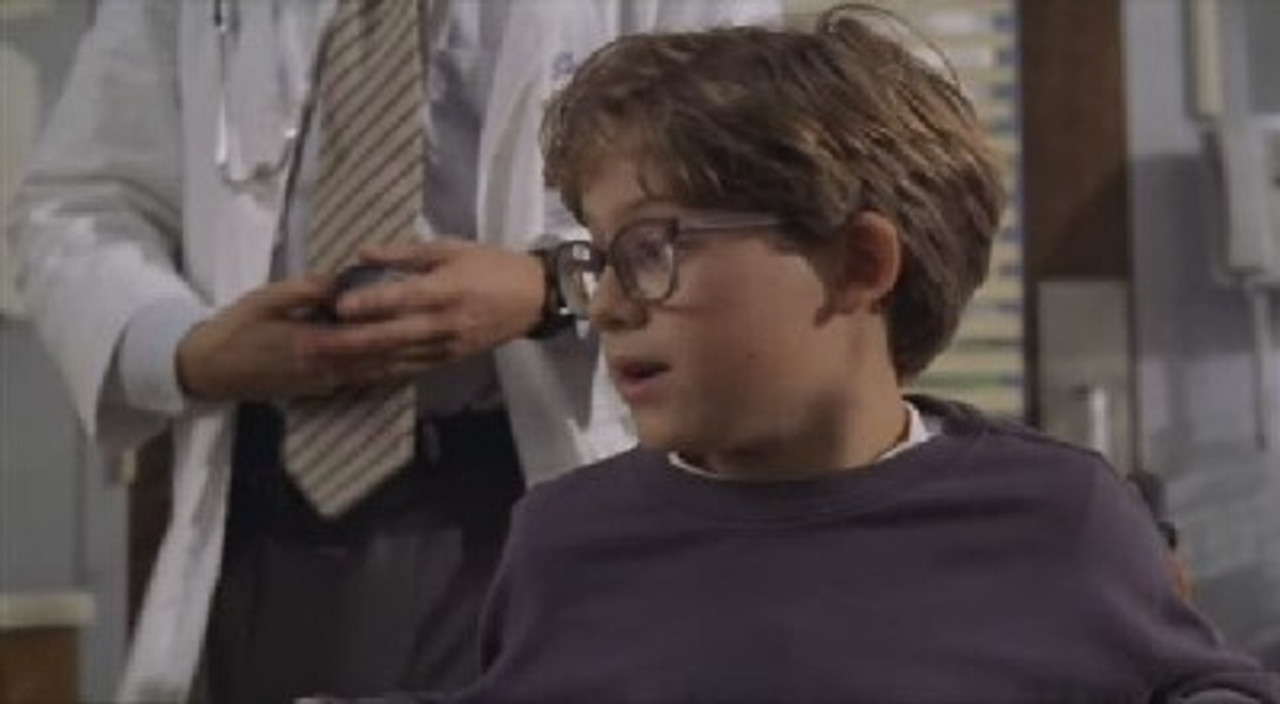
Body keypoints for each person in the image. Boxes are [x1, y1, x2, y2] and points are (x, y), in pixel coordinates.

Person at [350, 5, 1280, 702]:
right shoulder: (563, 539)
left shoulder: (1058, 516)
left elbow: (1203, 684)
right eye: (597, 259)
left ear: (862, 264)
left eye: (653, 249)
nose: (606, 305)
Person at [7, 0, 779, 702]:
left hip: (522, 480)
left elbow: (740, 190)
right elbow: (83, 204)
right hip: (263, 500)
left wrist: (549, 284)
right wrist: (185, 351)